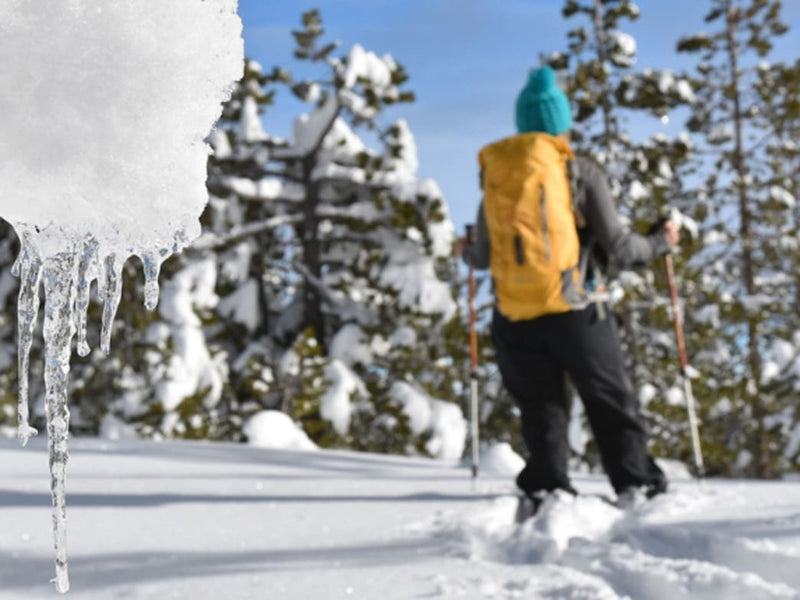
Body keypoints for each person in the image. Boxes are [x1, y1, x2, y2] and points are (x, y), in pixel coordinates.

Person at [460, 65, 679, 516]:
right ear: (561, 125)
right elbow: (619, 245)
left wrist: (466, 250)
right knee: (609, 399)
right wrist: (662, 242)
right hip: (576, 308)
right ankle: (634, 483)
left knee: (541, 408)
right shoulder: (577, 172)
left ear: (523, 123)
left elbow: (480, 258)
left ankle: (548, 488)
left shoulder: (497, 180)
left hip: (514, 315)